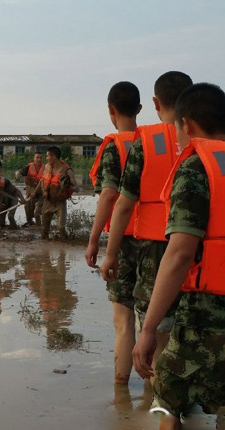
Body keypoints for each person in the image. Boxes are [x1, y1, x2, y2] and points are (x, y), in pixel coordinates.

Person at [132, 83, 225, 430]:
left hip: (203, 320)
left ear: (186, 124)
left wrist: (149, 328)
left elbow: (180, 253)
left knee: (165, 408)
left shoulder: (197, 166)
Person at [100, 71, 193, 375]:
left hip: (154, 248)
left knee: (155, 333)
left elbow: (122, 204)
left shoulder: (146, 143)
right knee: (190, 329)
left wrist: (109, 252)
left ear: (154, 103)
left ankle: (151, 410)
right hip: (202, 248)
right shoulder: (209, 144)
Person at [86, 81, 142, 385]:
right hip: (160, 240)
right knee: (154, 323)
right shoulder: (157, 143)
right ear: (141, 109)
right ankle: (155, 397)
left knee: (123, 323)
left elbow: (109, 195)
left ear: (110, 110)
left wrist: (95, 241)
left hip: (124, 239)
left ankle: (121, 392)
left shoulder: (115, 145)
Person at [36, 146, 78, 240]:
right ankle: (44, 252)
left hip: (60, 202)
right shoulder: (46, 167)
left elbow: (77, 188)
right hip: (48, 201)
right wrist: (34, 194)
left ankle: (64, 250)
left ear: (54, 157)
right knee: (44, 229)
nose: (46, 158)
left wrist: (66, 186)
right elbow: (42, 181)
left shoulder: (67, 170)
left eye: (47, 156)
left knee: (61, 228)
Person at [16, 151, 44, 226]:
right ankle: (30, 223)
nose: (39, 159)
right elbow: (19, 171)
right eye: (37, 157)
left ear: (43, 159)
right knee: (27, 208)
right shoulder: (28, 167)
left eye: (40, 158)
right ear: (34, 159)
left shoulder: (46, 169)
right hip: (30, 194)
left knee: (37, 213)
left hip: (41, 195)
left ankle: (39, 227)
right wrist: (17, 175)